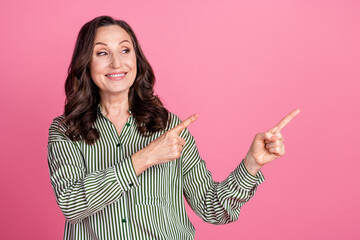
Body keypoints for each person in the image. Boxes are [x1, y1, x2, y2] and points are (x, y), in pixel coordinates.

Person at [47, 15, 300, 240]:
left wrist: (251, 164)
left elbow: (212, 208)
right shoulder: (65, 130)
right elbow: (71, 204)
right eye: (102, 53)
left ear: (137, 59)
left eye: (125, 50)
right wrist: (143, 158)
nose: (116, 63)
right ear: (86, 63)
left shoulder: (169, 127)